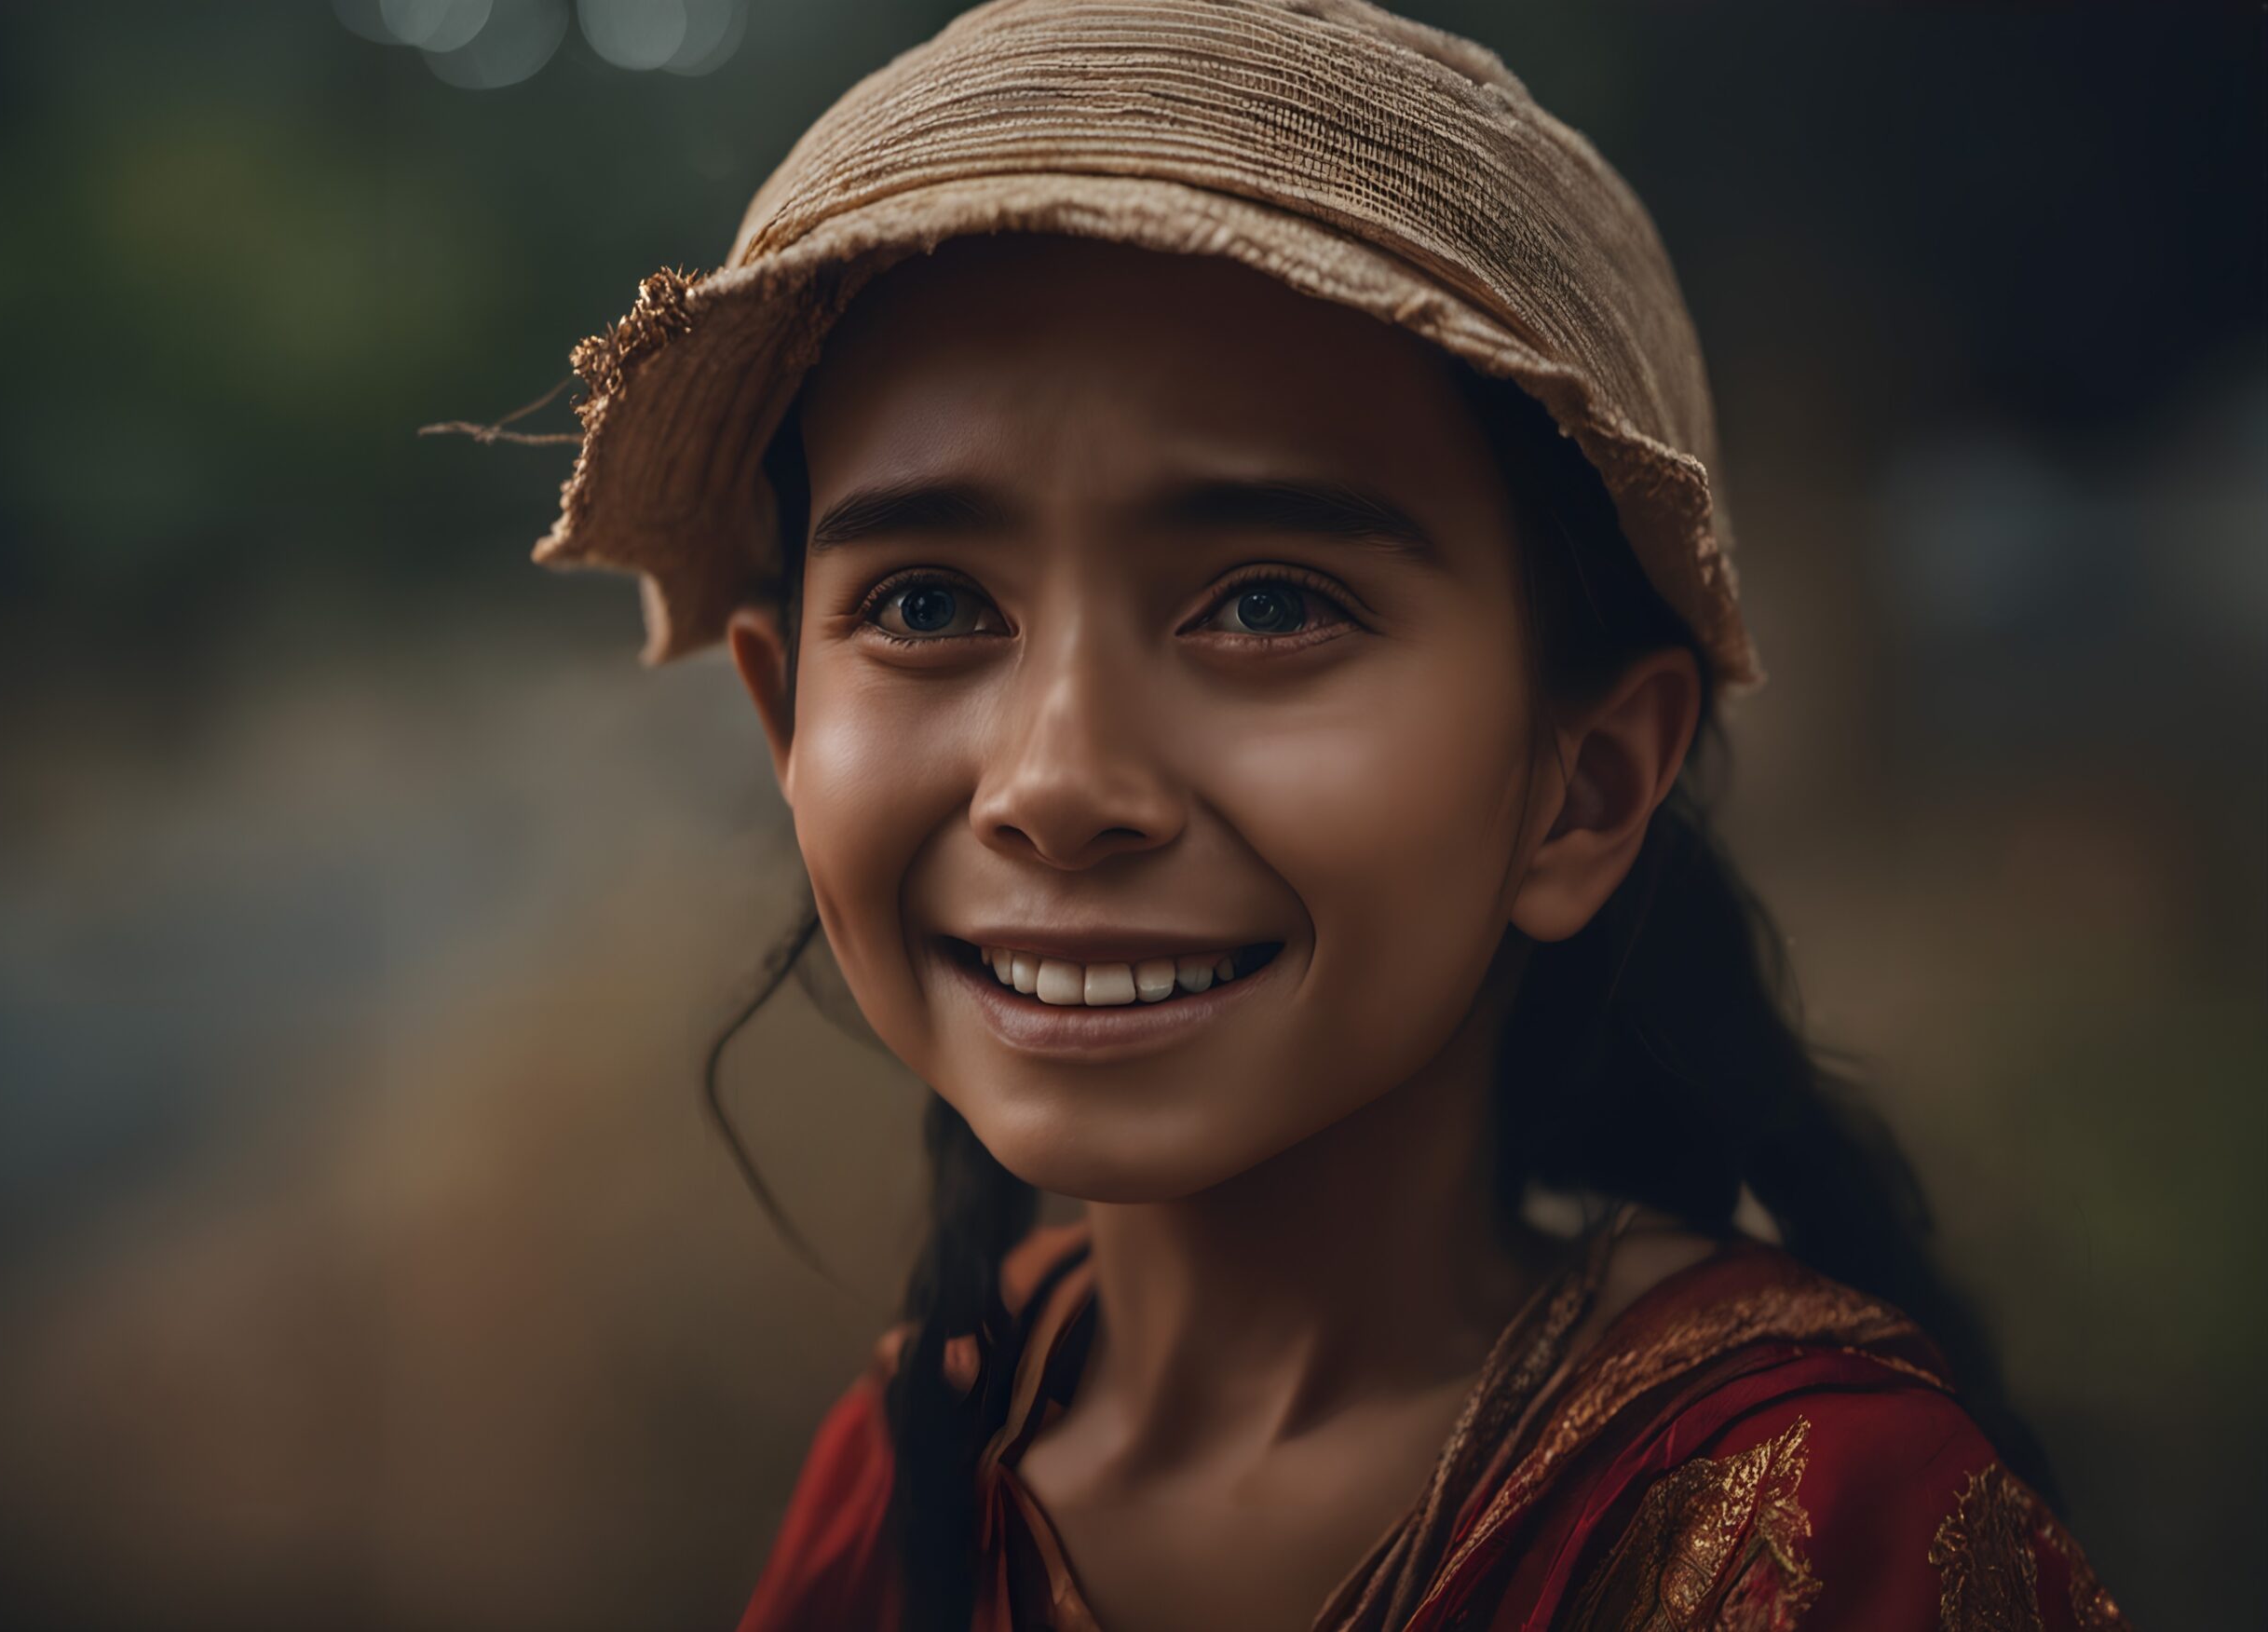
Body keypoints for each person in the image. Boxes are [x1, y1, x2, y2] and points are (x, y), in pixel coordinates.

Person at [526, 3, 2129, 1625]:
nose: (1058, 788)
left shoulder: (1826, 1526)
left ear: (1584, 787)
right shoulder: (918, 1462)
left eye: (1272, 604)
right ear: (787, 718)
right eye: (931, 605)